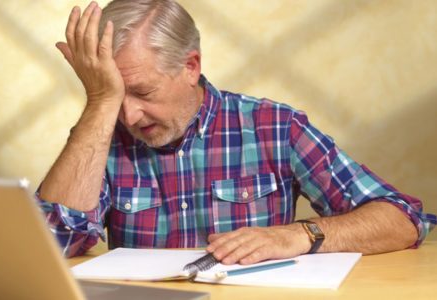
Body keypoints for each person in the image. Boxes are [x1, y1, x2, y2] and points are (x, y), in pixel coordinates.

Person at [37, 0, 435, 264]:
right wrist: (98, 104)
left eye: (142, 91)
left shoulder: (274, 127)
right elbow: (50, 246)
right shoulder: (100, 136)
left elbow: (402, 219)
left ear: (190, 66)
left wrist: (303, 234)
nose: (128, 114)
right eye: (113, 94)